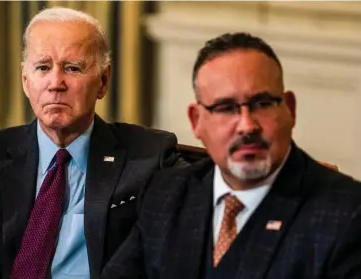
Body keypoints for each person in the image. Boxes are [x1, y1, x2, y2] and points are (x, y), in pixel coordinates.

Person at [0, 7, 185, 279]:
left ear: (103, 81)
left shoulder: (150, 157)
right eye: (43, 67)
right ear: (26, 80)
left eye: (72, 68)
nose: (55, 82)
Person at [100, 32, 361, 279]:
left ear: (290, 109)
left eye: (262, 104)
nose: (247, 125)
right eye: (226, 108)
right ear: (197, 121)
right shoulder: (166, 194)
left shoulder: (347, 213)